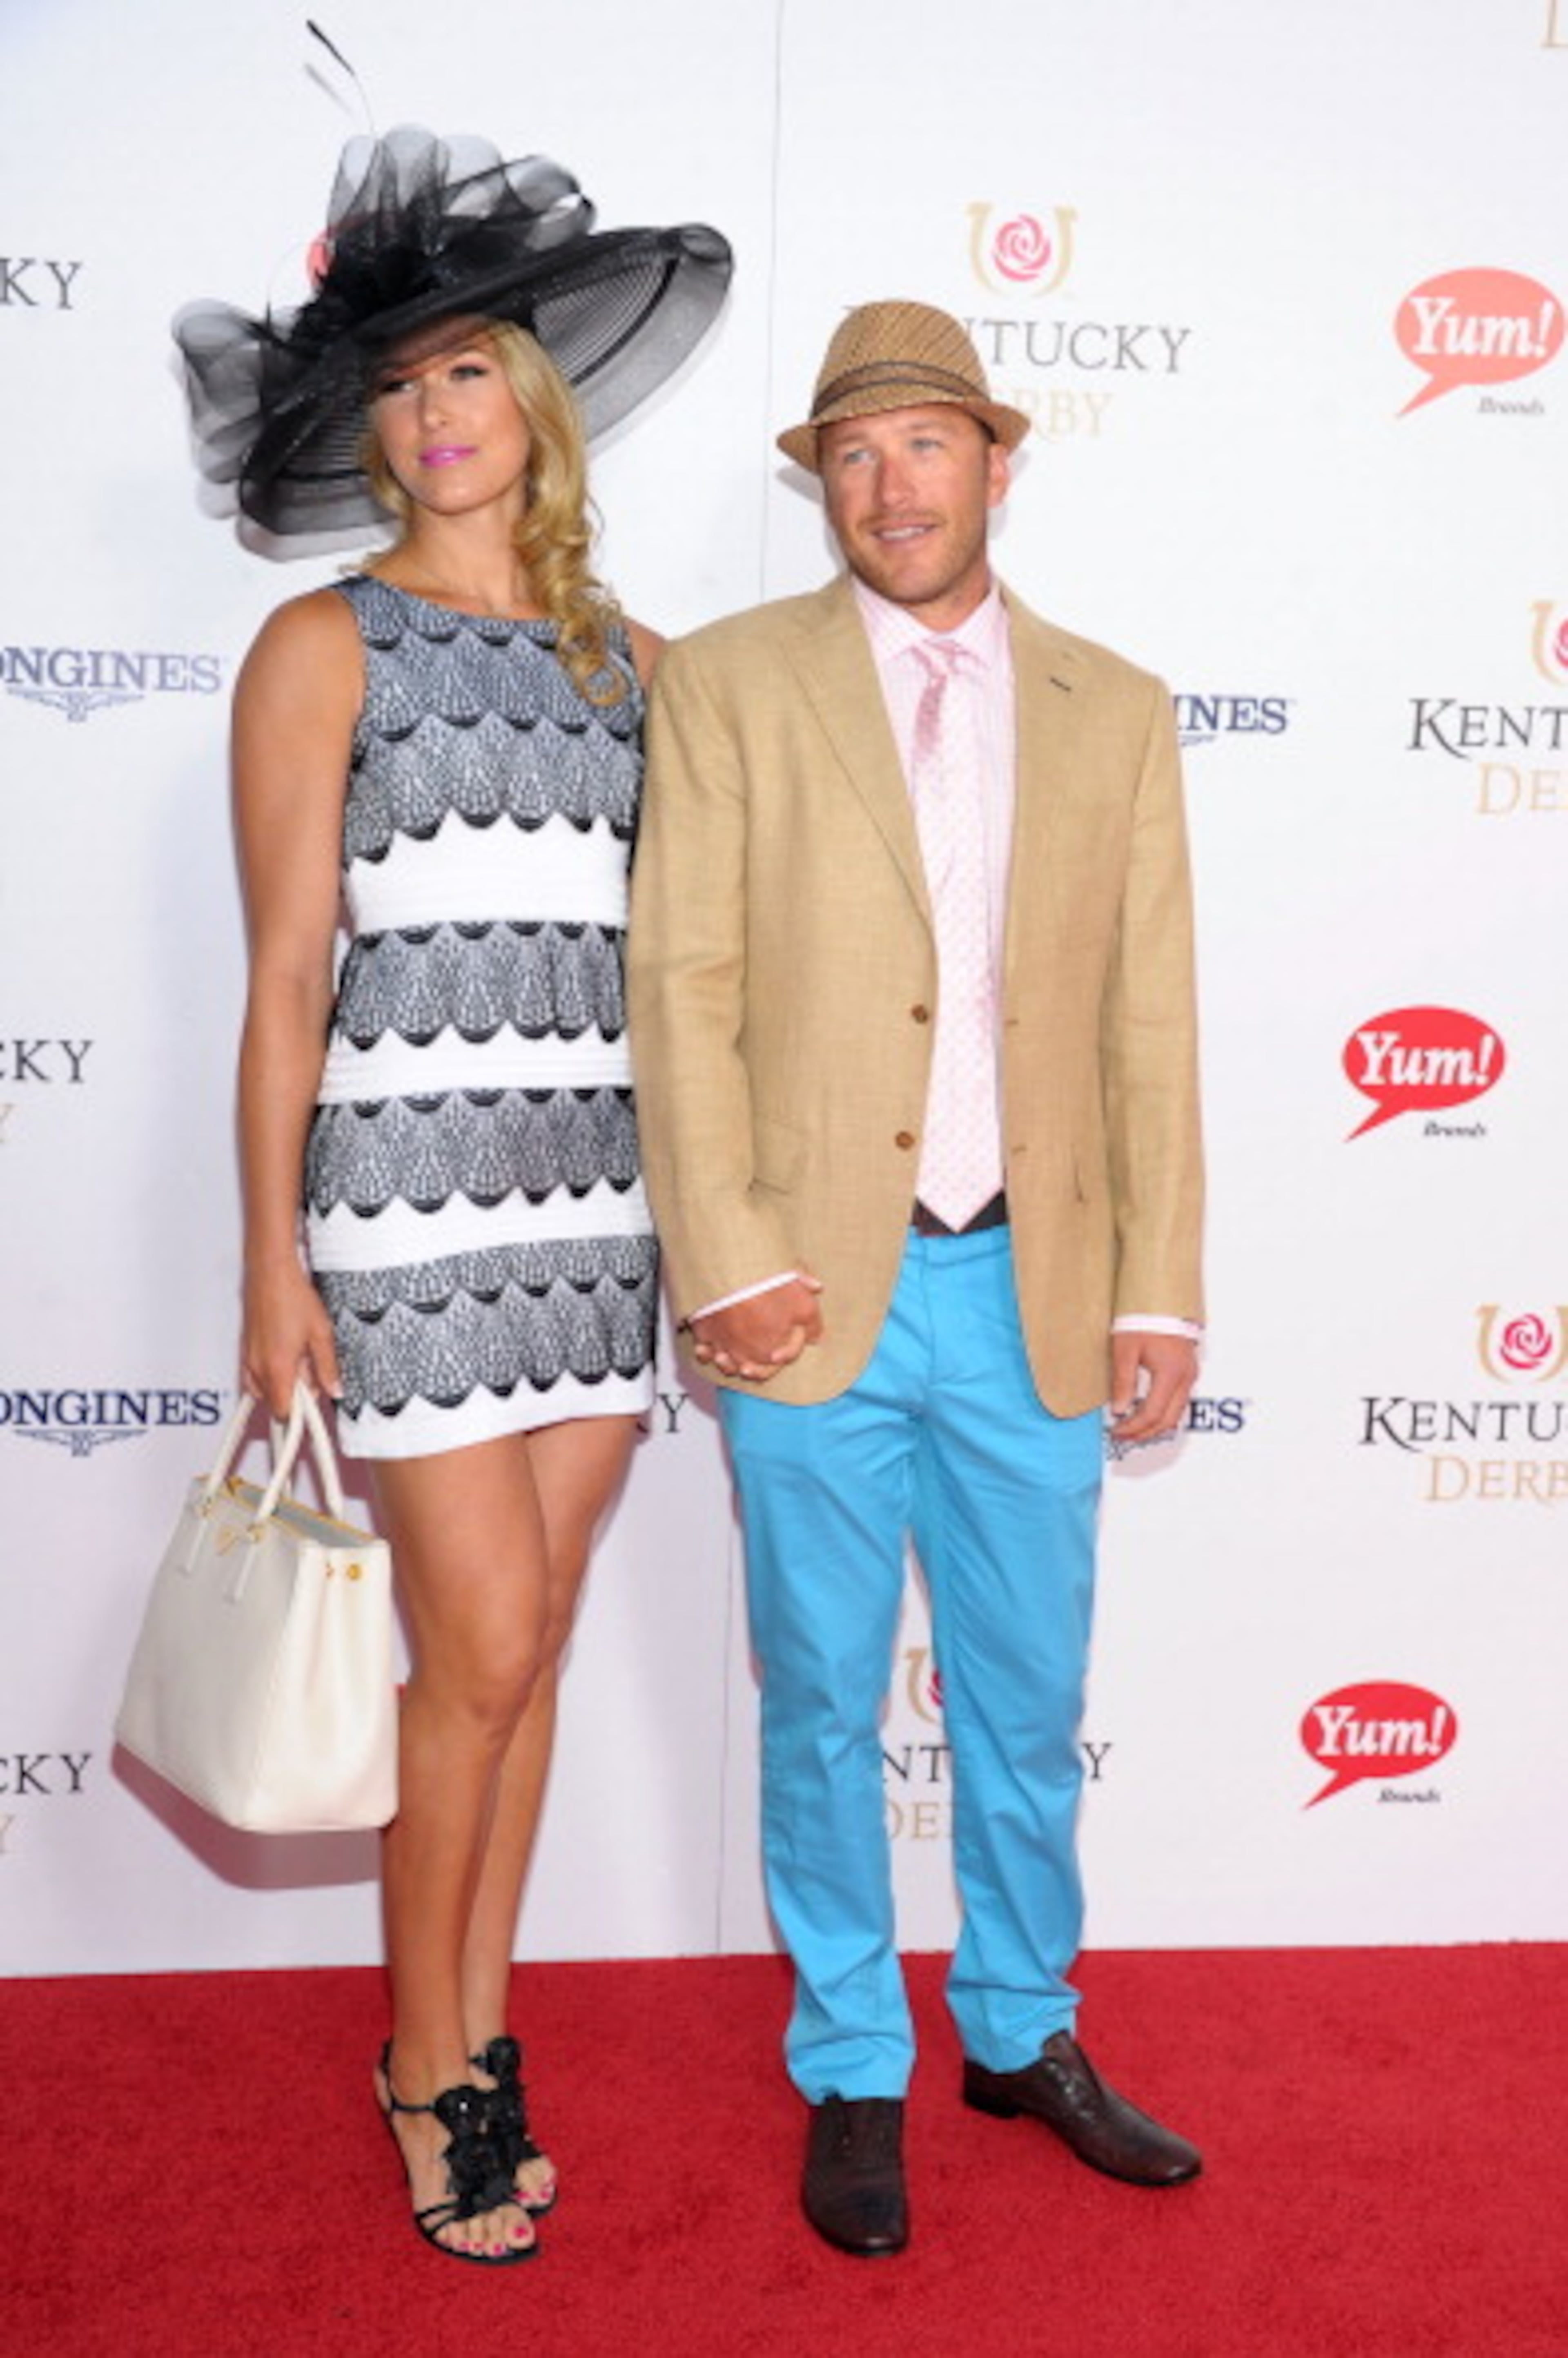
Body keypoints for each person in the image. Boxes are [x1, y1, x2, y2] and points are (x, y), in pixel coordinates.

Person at [174, 127, 730, 2265]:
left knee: (530, 1648)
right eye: (400, 388)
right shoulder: (322, 650)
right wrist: (270, 1268)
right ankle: (426, 2071)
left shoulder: (647, 673)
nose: (438, 417)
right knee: (476, 1643)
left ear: (537, 401)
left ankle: (475, 2026)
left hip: (597, 1220)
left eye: (471, 373)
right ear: (368, 428)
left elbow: (693, 975)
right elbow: (288, 984)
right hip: (403, 1221)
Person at [627, 301, 1204, 2256]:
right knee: (816, 1710)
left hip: (1035, 1287)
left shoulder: (1117, 706)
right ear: (826, 484)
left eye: (927, 447)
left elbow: (1152, 1026)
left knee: (1029, 1704)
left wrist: (1160, 1285)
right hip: (808, 1297)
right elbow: (680, 991)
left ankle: (1023, 2030)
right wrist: (725, 1260)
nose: (893, 486)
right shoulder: (726, 685)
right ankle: (854, 2063)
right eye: (856, 455)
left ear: (994, 461)